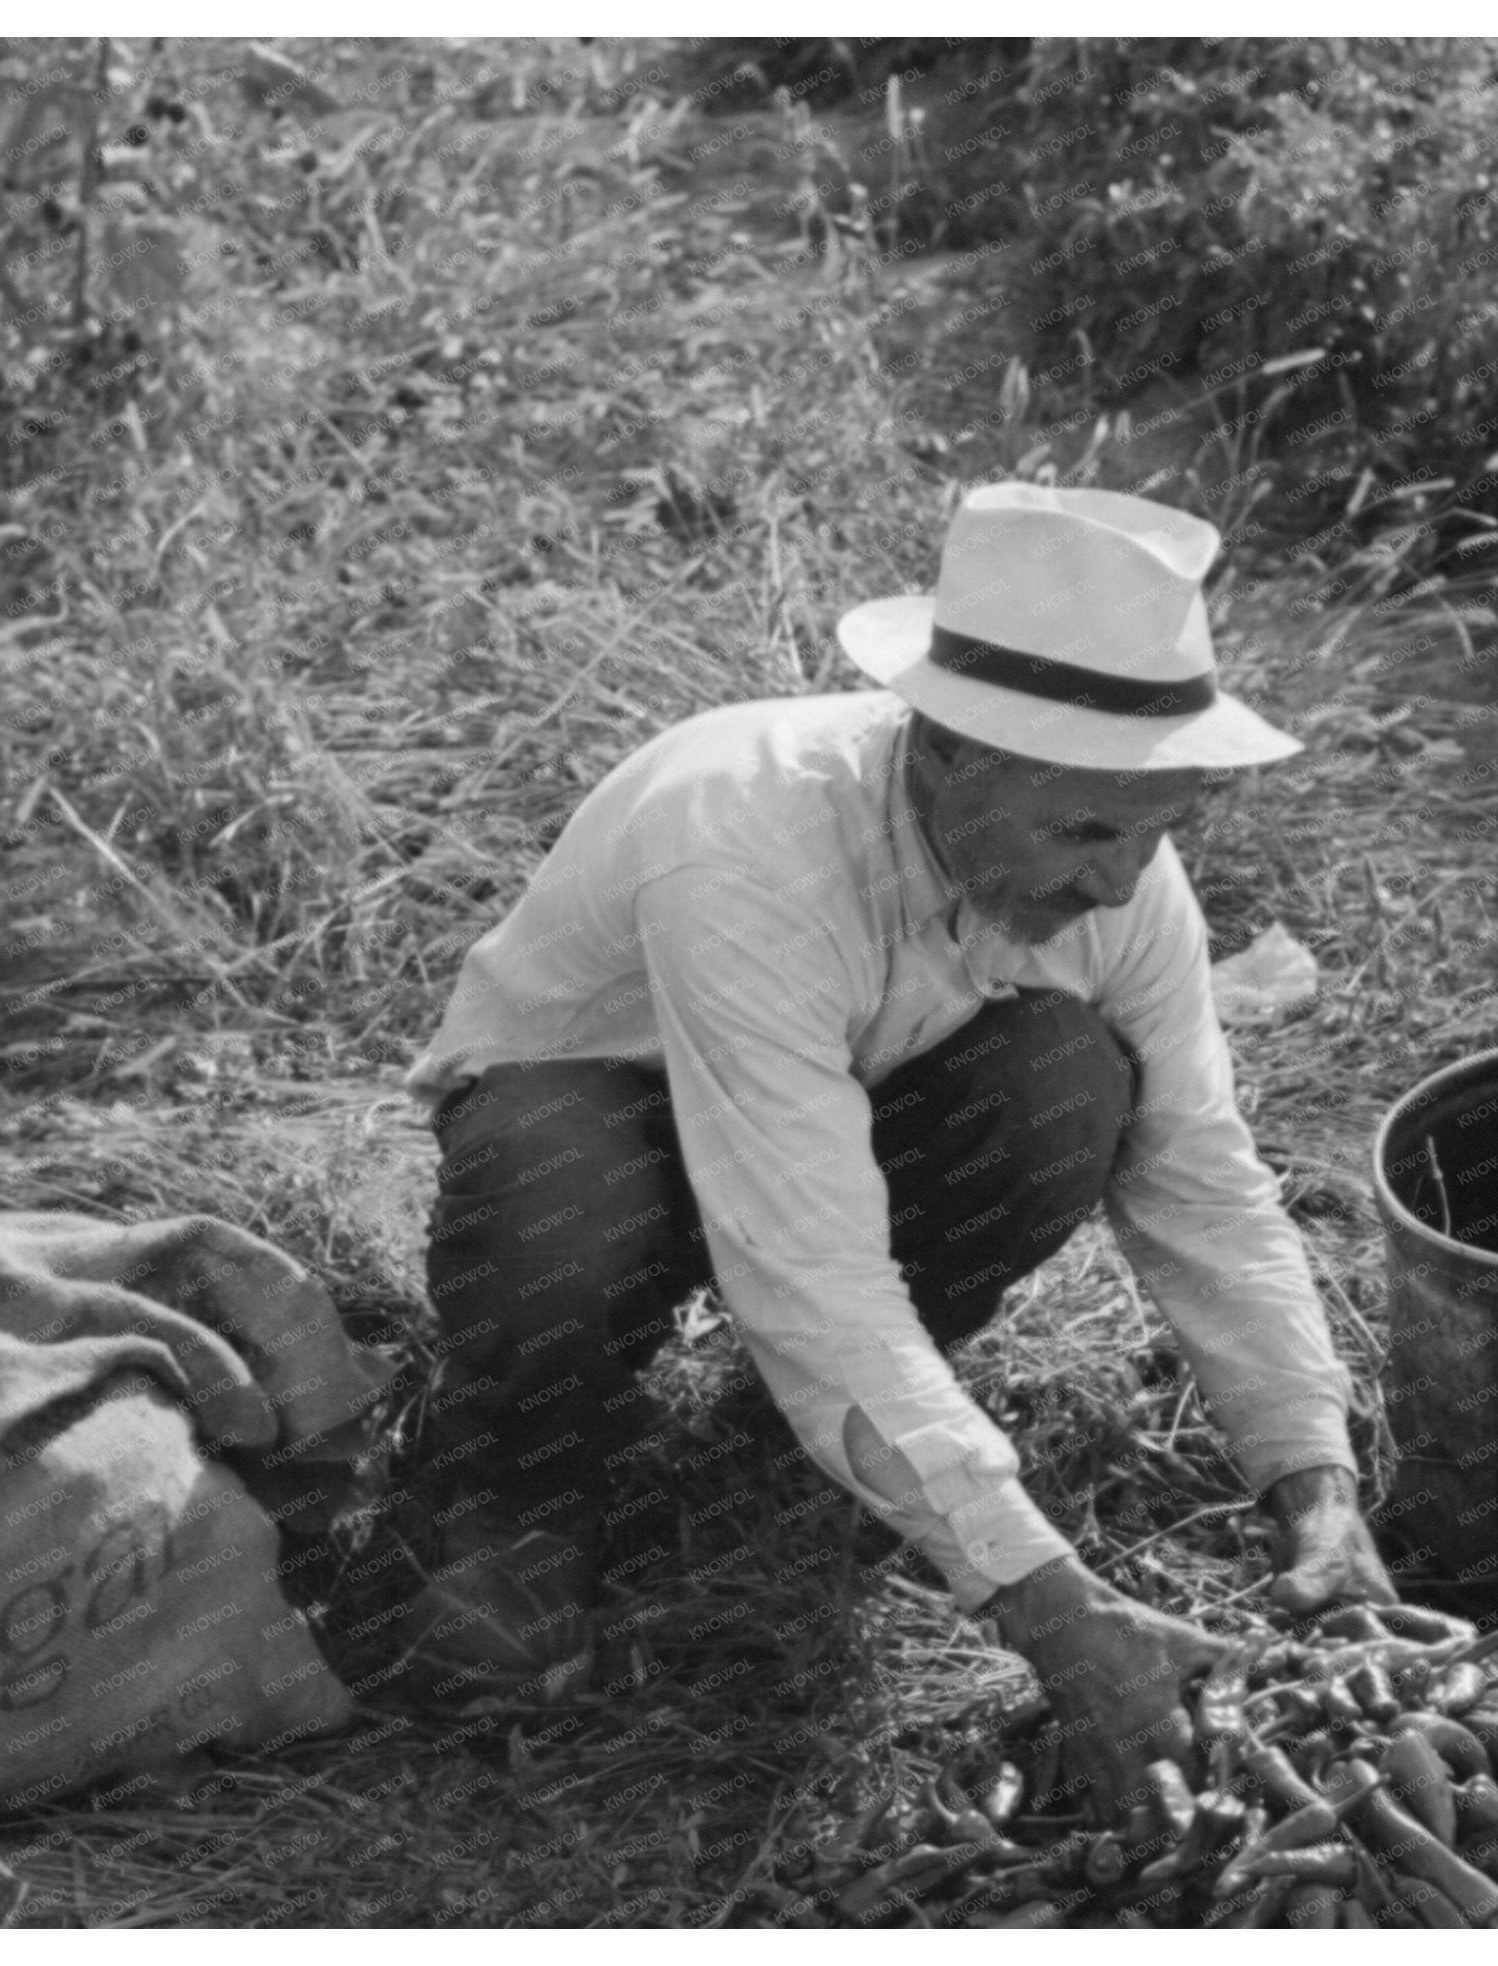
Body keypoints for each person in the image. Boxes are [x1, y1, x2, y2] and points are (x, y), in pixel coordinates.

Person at [392, 483, 1395, 1811]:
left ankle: (797, 1432)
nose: (1117, 880)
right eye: (1088, 829)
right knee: (556, 1187)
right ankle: (519, 1486)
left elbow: (1203, 1176)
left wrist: (1312, 1476)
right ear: (944, 749)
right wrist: (1049, 1607)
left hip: (835, 1128)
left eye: (1159, 827)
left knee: (1070, 1084)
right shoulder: (747, 844)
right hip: (608, 1120)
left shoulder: (1122, 883)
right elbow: (808, 1268)